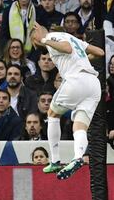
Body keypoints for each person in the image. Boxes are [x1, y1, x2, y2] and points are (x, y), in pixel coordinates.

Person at [30, 22, 104, 180]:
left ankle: (55, 160)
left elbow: (67, 48)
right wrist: (81, 58)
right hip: (93, 84)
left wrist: (43, 39)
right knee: (80, 125)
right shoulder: (75, 39)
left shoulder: (51, 36)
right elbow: (100, 52)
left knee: (52, 114)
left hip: (76, 81)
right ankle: (78, 157)